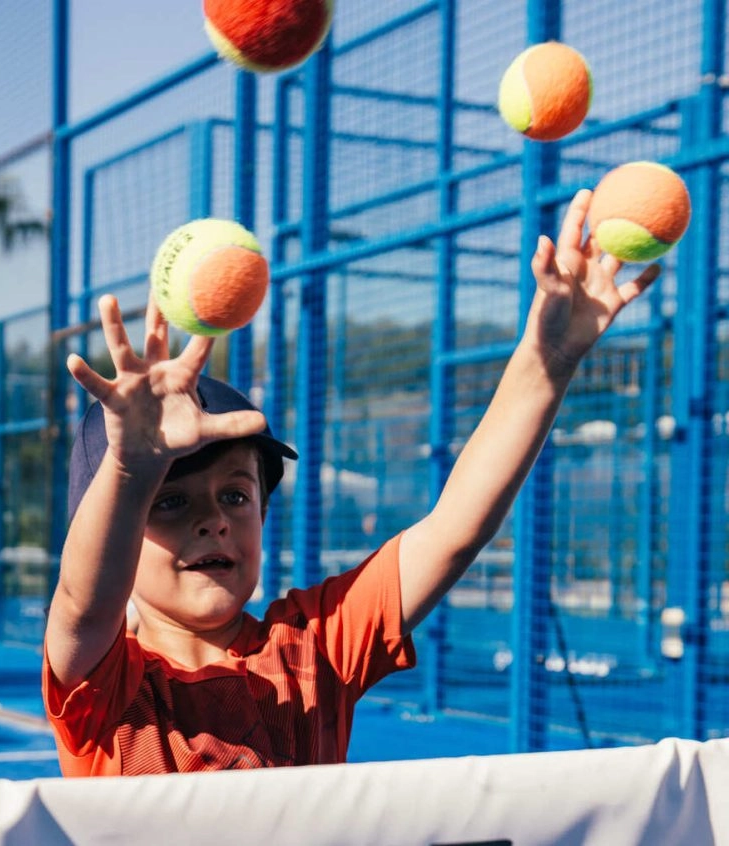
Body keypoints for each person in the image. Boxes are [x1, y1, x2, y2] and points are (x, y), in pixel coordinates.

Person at [43, 190, 659, 776]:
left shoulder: (314, 646)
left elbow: (452, 532)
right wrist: (129, 471)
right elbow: (83, 600)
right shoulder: (104, 684)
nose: (215, 520)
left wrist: (547, 360)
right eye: (170, 501)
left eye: (236, 494)